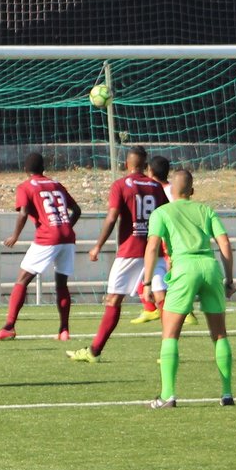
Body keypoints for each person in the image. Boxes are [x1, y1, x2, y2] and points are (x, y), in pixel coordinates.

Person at [67, 146, 170, 362]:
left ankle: (94, 351)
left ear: (126, 164)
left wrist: (97, 245)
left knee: (114, 300)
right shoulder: (156, 187)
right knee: (162, 299)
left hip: (130, 251)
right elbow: (167, 216)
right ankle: (168, 352)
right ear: (146, 166)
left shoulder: (121, 185)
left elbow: (112, 217)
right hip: (154, 250)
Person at [142, 169, 235, 408]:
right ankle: (227, 393)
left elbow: (152, 247)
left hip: (184, 269)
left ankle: (168, 395)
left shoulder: (162, 212)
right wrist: (229, 279)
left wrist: (147, 282)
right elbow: (224, 243)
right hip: (210, 267)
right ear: (192, 191)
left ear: (171, 190)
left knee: (170, 334)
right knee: (220, 334)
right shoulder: (206, 210)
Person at [0, 152, 81, 341]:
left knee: (22, 280)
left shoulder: (25, 186)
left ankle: (9, 327)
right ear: (43, 168)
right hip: (67, 237)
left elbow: (23, 212)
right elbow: (77, 210)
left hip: (48, 237)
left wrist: (15, 236)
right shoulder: (56, 184)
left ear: (25, 169)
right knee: (61, 284)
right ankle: (64, 330)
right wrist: (65, 227)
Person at [129, 155, 197, 326]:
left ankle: (185, 312)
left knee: (164, 278)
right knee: (147, 275)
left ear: (150, 171)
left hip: (165, 241)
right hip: (164, 239)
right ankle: (150, 309)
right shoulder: (168, 189)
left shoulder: (161, 191)